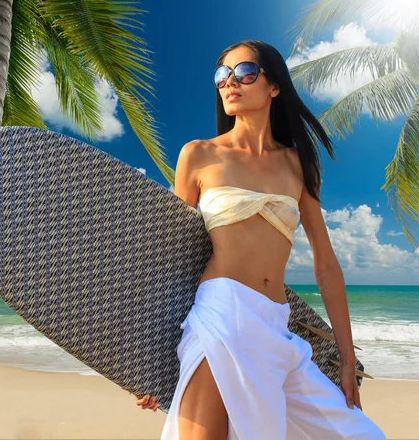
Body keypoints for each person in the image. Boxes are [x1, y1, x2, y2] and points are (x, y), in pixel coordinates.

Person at [130, 40, 387, 440]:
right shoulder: (198, 155)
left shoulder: (298, 164)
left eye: (245, 72)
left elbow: (326, 264)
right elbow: (170, 257)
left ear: (274, 86)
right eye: (222, 76)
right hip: (221, 314)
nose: (230, 82)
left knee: (360, 435)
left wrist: (346, 357)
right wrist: (146, 360)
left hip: (278, 327)